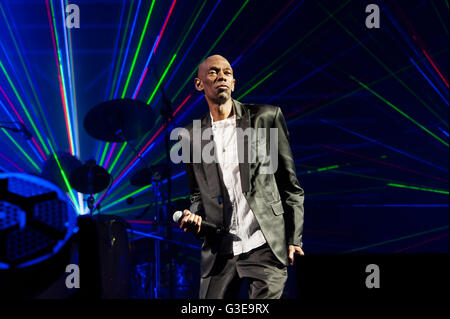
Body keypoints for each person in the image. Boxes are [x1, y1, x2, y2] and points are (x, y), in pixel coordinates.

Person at [178, 55, 305, 299]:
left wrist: (294, 238)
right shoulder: (191, 136)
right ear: (199, 84)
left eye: (227, 72)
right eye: (214, 72)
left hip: (264, 242)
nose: (222, 76)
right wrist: (192, 215)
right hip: (220, 249)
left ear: (234, 82)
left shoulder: (265, 118)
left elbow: (290, 185)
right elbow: (197, 193)